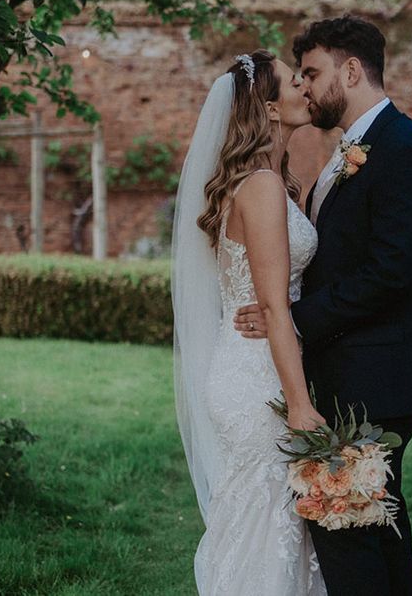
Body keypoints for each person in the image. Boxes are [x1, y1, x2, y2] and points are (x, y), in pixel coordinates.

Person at [234, 16, 412, 596]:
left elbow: (392, 272)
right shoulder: (354, 148)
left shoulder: (402, 148)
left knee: (345, 527)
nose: (306, 87)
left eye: (312, 73)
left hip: (380, 373)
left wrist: (289, 320)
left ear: (352, 70)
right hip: (358, 367)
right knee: (373, 517)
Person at [172, 50, 328, 595]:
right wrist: (301, 405)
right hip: (260, 379)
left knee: (269, 526)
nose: (306, 88)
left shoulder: (275, 183)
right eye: (293, 81)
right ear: (268, 107)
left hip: (256, 364)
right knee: (267, 527)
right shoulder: (260, 187)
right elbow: (276, 307)